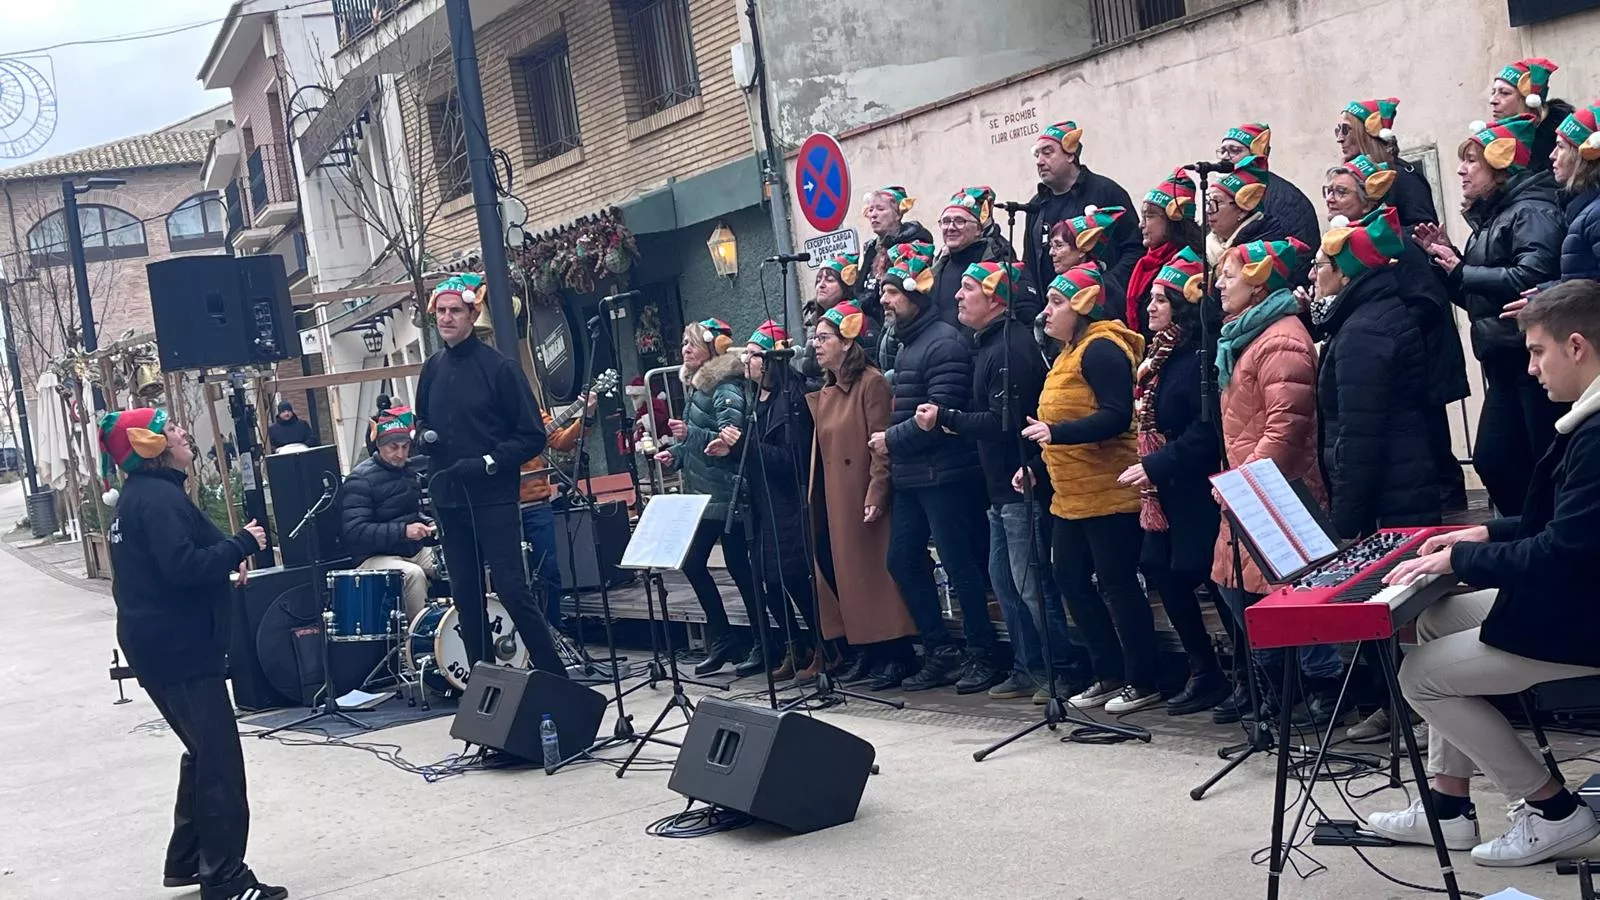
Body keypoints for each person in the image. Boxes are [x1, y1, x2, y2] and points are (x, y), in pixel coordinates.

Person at [1371, 279, 1600, 867]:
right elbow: (1565, 524)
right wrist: (1485, 531)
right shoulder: (1588, 419)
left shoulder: (1596, 436)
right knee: (1435, 618)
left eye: (1536, 351)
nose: (1530, 369)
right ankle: (1448, 807)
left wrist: (1461, 559)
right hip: (1574, 596)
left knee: (1420, 677)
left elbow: (1563, 551)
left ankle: (1553, 811)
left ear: (1577, 346)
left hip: (1584, 616)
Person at [100, 407, 284, 900]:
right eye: (170, 430)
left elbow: (174, 561)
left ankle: (187, 859)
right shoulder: (157, 500)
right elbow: (182, 566)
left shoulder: (145, 498)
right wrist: (241, 543)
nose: (182, 433)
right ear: (151, 448)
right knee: (220, 760)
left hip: (159, 645)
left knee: (205, 752)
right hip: (177, 649)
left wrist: (227, 553)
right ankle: (224, 879)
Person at [918, 261, 1081, 700]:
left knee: (1030, 584)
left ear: (994, 298)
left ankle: (1058, 669)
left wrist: (945, 418)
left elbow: (1003, 421)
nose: (956, 295)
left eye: (967, 288)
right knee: (1005, 582)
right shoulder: (989, 346)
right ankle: (1029, 666)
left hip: (1018, 483)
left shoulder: (1009, 349)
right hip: (998, 487)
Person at [1209, 238, 1346, 728]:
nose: (1219, 284)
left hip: (1277, 491)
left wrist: (1247, 483)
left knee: (1291, 596)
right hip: (1249, 488)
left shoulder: (1281, 339)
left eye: (1229, 275)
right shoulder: (1247, 336)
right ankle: (1278, 692)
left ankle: (1322, 693)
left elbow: (1286, 426)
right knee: (1240, 592)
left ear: (1260, 280)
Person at [1024, 263, 1162, 714]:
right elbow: (1061, 417)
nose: (1047, 312)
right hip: (1070, 494)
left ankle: (1144, 679)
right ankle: (1109, 672)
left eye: (1057, 302)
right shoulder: (1068, 350)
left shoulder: (1102, 349)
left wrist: (1055, 435)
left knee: (1119, 584)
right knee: (1069, 578)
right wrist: (1038, 467)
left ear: (1082, 307)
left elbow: (1117, 415)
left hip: (1108, 491)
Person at [414, 273, 566, 678]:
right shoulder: (431, 369)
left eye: (454, 311)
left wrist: (487, 462)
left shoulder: (499, 368)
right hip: (449, 499)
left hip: (492, 497)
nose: (446, 318)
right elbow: (422, 418)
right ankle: (484, 685)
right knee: (465, 595)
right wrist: (422, 438)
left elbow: (532, 435)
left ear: (472, 314)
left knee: (512, 588)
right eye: (441, 312)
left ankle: (554, 677)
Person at [1414, 116, 1564, 516]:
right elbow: (1484, 299)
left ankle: (1539, 541)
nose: (1461, 170)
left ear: (1500, 165)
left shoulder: (1530, 210)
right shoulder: (1493, 216)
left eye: (1472, 162)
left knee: (1533, 463)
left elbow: (1532, 276)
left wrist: (1462, 271)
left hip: (1529, 359)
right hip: (1504, 360)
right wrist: (1448, 267)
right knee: (1496, 459)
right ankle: (1527, 536)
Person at [871, 241, 998, 693]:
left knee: (961, 567)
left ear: (916, 295)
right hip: (913, 476)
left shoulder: (943, 343)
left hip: (943, 475)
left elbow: (937, 414)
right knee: (902, 560)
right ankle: (941, 649)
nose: (883, 301)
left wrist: (889, 441)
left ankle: (984, 654)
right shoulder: (909, 345)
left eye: (891, 293)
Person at [1323, 154, 1472, 511]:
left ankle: (1450, 508)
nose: (1330, 198)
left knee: (1428, 448)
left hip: (1415, 362)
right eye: (1328, 190)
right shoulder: (1344, 241)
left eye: (1341, 192)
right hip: (1385, 360)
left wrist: (1388, 334)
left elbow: (1429, 302)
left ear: (1367, 198)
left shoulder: (1398, 243)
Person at [1116, 247, 1229, 716]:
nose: (1150, 307)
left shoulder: (1199, 356)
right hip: (1161, 492)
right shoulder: (1159, 357)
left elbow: (1206, 433)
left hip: (1192, 488)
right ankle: (1204, 669)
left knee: (1209, 577)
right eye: (1150, 300)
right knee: (1161, 572)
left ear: (1183, 304)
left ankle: (1250, 675)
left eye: (1161, 300)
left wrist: (1157, 463)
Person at [1308, 206, 1440, 537]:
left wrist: (1346, 523)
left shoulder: (1363, 332)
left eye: (1319, 265)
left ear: (1345, 274)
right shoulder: (1372, 315)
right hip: (1401, 483)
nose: (1312, 275)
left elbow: (1359, 436)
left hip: (1388, 501)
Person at [807, 300, 919, 688]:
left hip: (863, 495)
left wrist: (876, 490)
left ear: (846, 342)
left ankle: (896, 653)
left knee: (875, 578)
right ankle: (867, 651)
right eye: (815, 338)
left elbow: (879, 443)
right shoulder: (827, 391)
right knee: (848, 577)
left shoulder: (870, 383)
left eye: (824, 338)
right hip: (837, 497)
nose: (815, 345)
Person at [653, 318, 764, 676]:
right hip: (706, 497)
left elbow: (729, 441)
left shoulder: (725, 388)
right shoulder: (699, 388)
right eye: (683, 344)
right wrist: (678, 452)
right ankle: (724, 638)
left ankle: (762, 642)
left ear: (713, 350)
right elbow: (698, 444)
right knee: (696, 563)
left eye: (692, 344)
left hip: (727, 494)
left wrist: (691, 434)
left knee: (739, 569)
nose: (685, 350)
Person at [722, 322, 824, 680]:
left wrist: (744, 446)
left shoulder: (791, 398)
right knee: (766, 578)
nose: (745, 361)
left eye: (751, 355)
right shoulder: (755, 399)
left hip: (788, 501)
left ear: (769, 360)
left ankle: (824, 646)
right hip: (761, 502)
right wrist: (733, 451)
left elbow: (789, 460)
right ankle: (796, 645)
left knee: (794, 575)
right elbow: (754, 454)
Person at [1023, 120, 1142, 303]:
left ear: (1070, 155)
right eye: (1037, 155)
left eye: (1048, 153)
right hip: (1053, 316)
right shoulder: (1036, 206)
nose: (1039, 162)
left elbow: (1135, 249)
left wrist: (1106, 287)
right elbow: (1030, 264)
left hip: (1101, 308)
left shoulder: (1106, 192)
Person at [341, 406, 438, 621]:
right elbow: (354, 531)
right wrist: (404, 531)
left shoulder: (409, 471)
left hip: (410, 549)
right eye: (394, 447)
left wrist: (430, 524)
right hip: (372, 557)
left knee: (452, 561)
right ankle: (420, 637)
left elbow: (412, 514)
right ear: (379, 445)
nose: (401, 454)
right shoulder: (360, 479)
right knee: (413, 575)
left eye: (405, 447)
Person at [518, 388, 597, 624]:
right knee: (514, 575)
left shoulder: (532, 412)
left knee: (548, 568)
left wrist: (587, 414)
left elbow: (562, 442)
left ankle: (554, 627)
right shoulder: (487, 418)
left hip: (536, 504)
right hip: (501, 506)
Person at [928, 187, 1028, 327]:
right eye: (945, 221)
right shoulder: (940, 263)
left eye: (959, 221)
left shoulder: (997, 261)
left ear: (978, 229)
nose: (950, 227)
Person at [1336, 98, 1439, 228]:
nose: (1340, 138)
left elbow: (1425, 232)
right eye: (1337, 130)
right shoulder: (1349, 179)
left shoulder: (1404, 177)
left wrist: (1375, 238)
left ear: (1367, 133)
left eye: (1346, 129)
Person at [1217, 122, 1320, 250]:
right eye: (1222, 151)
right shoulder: (1221, 192)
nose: (1225, 157)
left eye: (1235, 150)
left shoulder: (1283, 197)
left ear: (1256, 156)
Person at [1126, 168, 1204, 335]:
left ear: (1173, 218)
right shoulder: (1146, 263)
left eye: (1149, 216)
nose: (1141, 225)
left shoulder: (1189, 265)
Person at [857, 186, 935, 323]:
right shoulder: (871, 248)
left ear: (898, 214)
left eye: (880, 209)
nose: (873, 215)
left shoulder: (914, 245)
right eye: (870, 210)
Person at [800, 254, 880, 384]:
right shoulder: (812, 324)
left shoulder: (861, 324)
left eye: (829, 280)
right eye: (819, 280)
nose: (821, 285)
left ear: (845, 287)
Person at [1047, 207, 1130, 328]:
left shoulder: (1104, 287)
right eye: (1051, 246)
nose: (1051, 252)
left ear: (1082, 249)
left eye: (1058, 245)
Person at [1489, 57, 1573, 176]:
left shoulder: (1556, 142)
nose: (1493, 100)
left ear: (1529, 100)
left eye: (1505, 93)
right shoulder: (1494, 139)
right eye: (1493, 92)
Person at [1548, 103, 1600, 281]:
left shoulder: (1596, 215)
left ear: (1582, 155)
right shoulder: (1583, 207)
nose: (1552, 155)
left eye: (1561, 147)